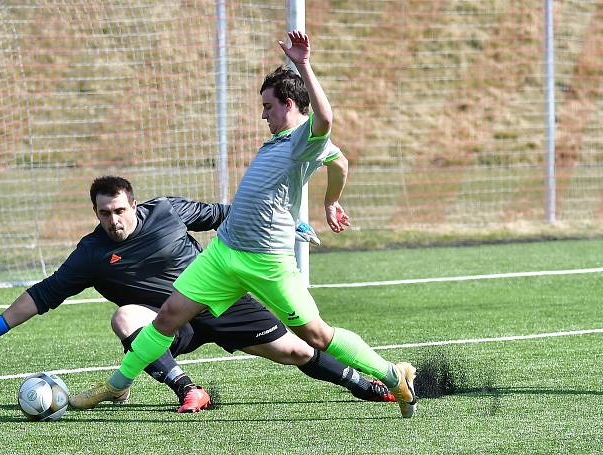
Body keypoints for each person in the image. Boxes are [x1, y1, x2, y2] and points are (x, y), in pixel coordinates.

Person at [71, 30, 418, 418]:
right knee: (168, 316)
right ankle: (114, 386)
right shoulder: (287, 141)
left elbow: (326, 119)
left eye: (268, 106)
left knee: (315, 336)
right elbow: (340, 162)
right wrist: (331, 200)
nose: (263, 114)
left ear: (289, 105)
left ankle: (393, 375)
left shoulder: (304, 139)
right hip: (223, 254)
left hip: (265, 262)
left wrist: (303, 64)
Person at [0, 176, 393, 413]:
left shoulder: (167, 211)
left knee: (297, 350)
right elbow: (44, 293)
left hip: (218, 300)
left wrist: (287, 222)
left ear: (134, 205)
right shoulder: (90, 254)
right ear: (96, 213)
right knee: (125, 317)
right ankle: (188, 389)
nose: (114, 220)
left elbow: (226, 213)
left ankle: (364, 384)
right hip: (166, 322)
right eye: (104, 213)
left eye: (120, 210)